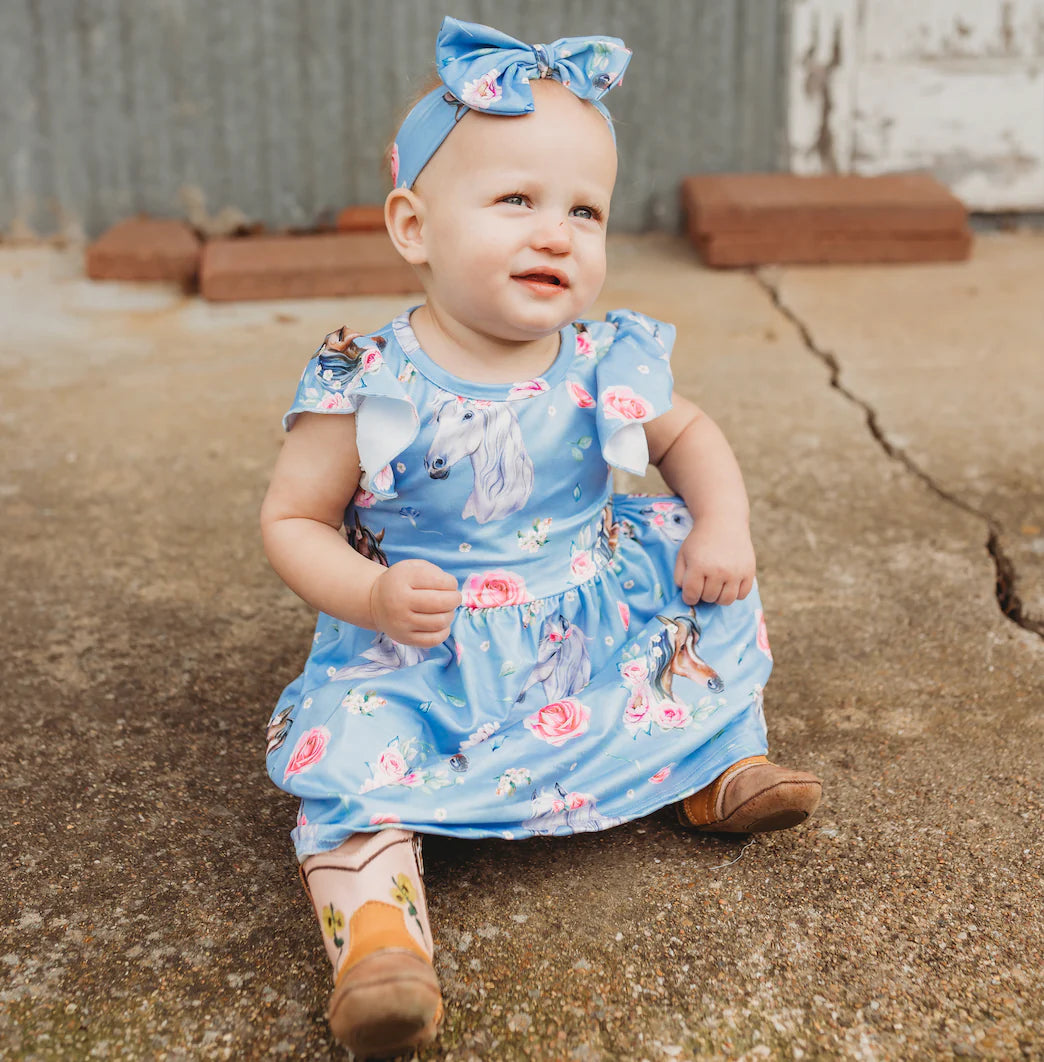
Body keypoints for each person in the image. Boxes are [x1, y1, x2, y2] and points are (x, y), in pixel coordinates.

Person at [260, 16, 822, 1058]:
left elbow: (688, 433)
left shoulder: (603, 354)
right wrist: (370, 598)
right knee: (349, 757)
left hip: (586, 607)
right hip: (425, 641)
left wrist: (725, 522)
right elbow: (291, 519)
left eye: (585, 211)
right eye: (516, 200)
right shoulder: (367, 378)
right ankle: (380, 943)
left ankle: (716, 763)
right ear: (413, 225)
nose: (556, 233)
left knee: (702, 594)